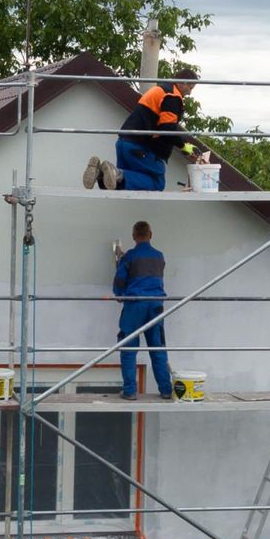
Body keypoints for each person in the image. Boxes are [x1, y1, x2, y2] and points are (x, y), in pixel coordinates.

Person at [84, 65, 199, 192]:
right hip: (140, 147)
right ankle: (116, 173)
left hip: (124, 144)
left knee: (116, 182)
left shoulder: (159, 89)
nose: (190, 92)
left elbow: (161, 123)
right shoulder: (172, 96)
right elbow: (168, 128)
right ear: (182, 82)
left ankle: (100, 174)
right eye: (190, 87)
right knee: (157, 183)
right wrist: (183, 146)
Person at [112, 221, 173, 400]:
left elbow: (120, 280)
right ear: (150, 235)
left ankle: (130, 391)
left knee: (129, 347)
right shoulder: (159, 256)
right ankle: (166, 390)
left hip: (135, 304)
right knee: (157, 348)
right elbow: (149, 274)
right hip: (155, 305)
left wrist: (119, 293)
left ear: (133, 236)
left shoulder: (129, 256)